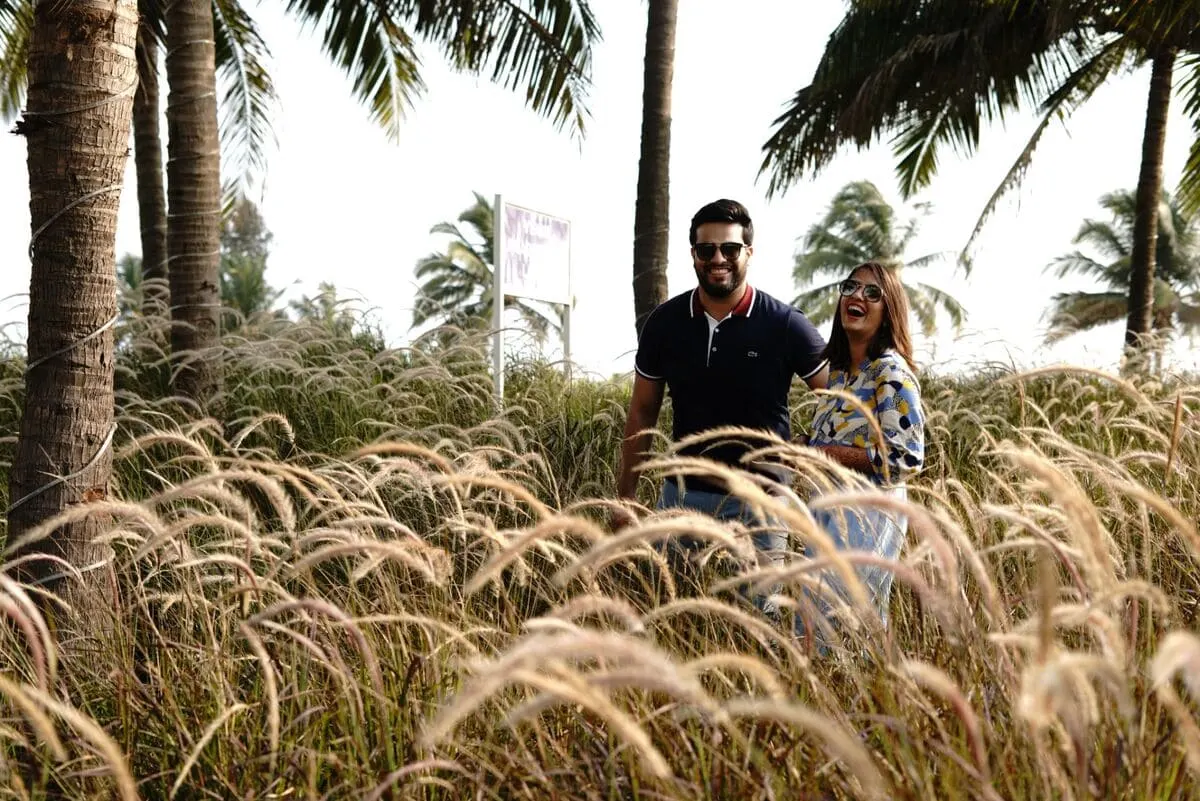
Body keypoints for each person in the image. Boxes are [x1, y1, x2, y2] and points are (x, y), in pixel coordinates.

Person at [613, 199, 829, 603]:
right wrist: (625, 497)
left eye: (729, 249)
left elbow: (839, 399)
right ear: (693, 254)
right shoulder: (664, 323)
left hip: (762, 506)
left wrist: (808, 449)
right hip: (681, 500)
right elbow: (642, 411)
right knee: (673, 616)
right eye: (706, 249)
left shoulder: (785, 324)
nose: (717, 259)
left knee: (760, 623)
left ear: (749, 252)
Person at [798, 260, 925, 639]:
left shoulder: (890, 372)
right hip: (828, 508)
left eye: (873, 293)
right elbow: (834, 439)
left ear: (889, 313)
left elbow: (907, 457)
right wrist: (804, 447)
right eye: (851, 287)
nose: (858, 296)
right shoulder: (839, 373)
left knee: (844, 626)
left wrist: (829, 455)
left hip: (868, 513)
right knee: (814, 624)